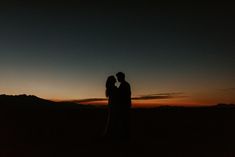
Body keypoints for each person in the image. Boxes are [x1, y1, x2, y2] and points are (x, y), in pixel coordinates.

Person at [116, 72, 131, 140]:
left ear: (121, 77)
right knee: (124, 121)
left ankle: (125, 137)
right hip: (125, 105)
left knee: (124, 121)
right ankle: (125, 136)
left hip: (124, 106)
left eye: (118, 77)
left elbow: (124, 96)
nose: (117, 79)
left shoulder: (124, 85)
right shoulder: (124, 84)